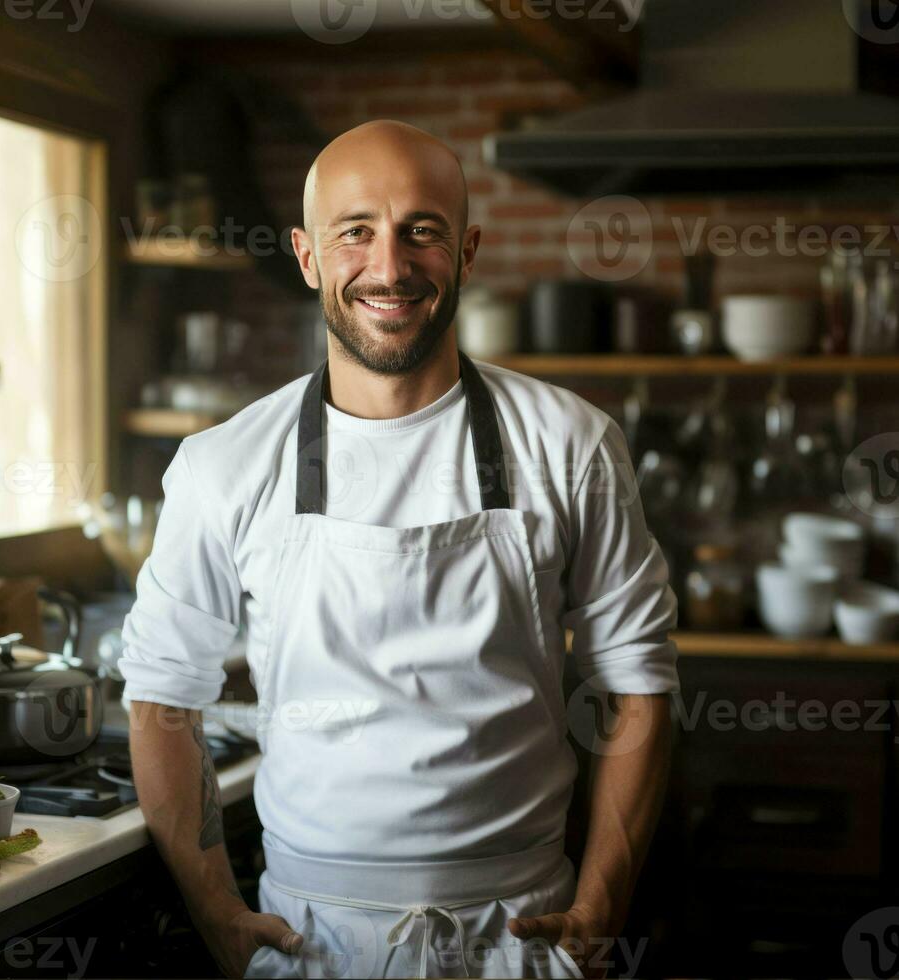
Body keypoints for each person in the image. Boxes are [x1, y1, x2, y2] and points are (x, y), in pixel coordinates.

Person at [121, 120, 679, 979]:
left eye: (423, 230)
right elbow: (163, 694)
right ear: (308, 257)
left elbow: (637, 682)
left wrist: (603, 903)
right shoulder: (224, 464)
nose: (389, 267)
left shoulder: (571, 444)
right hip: (310, 942)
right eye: (357, 232)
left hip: (523, 934)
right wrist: (216, 911)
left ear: (467, 253)